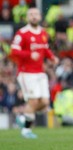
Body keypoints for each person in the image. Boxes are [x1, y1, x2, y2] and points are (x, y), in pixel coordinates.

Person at [11, 7, 60, 138]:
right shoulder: (22, 33)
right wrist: (29, 54)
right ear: (27, 17)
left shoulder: (43, 33)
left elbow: (45, 49)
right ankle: (26, 130)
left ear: (40, 17)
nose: (34, 16)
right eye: (31, 14)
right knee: (33, 102)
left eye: (36, 14)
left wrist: (52, 57)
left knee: (45, 103)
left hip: (40, 72)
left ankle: (23, 118)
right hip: (26, 73)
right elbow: (14, 51)